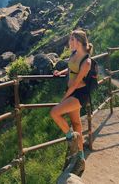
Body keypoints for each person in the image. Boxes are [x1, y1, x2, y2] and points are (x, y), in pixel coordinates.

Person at [50, 29, 93, 175]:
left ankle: (71, 138)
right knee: (76, 125)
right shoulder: (74, 54)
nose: (69, 43)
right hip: (71, 92)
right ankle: (80, 159)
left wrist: (64, 99)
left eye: (72, 40)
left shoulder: (87, 62)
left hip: (79, 94)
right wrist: (60, 73)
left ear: (79, 41)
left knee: (55, 112)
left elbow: (75, 84)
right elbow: (71, 69)